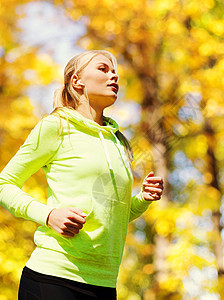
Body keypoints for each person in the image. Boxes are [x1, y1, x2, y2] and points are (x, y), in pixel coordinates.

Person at [0, 50, 164, 299]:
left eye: (115, 71)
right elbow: (4, 184)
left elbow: (112, 215)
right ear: (77, 81)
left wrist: (143, 199)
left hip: (105, 283)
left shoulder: (119, 142)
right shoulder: (56, 126)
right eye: (103, 69)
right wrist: (49, 215)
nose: (114, 76)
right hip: (54, 276)